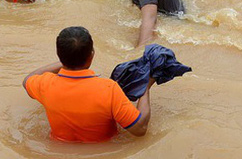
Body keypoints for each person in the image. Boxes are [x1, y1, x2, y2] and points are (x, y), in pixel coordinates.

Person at [23, 26, 155, 142]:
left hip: (59, 147)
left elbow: (28, 79)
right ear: (91, 56)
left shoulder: (45, 85)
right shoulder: (109, 89)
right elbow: (140, 129)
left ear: (59, 55)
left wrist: (66, 61)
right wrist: (145, 86)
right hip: (104, 150)